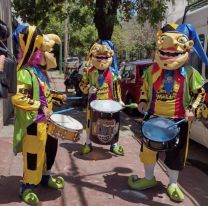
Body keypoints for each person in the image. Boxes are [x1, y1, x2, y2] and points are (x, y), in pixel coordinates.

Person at [128, 23, 207, 202]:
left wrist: (193, 109)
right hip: (154, 118)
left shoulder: (190, 73)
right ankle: (149, 178)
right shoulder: (152, 71)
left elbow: (200, 93)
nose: (169, 54)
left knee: (175, 155)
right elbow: (145, 88)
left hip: (178, 121)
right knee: (148, 150)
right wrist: (142, 101)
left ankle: (172, 183)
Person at [12, 25, 66, 205]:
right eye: (40, 49)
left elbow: (44, 93)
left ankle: (45, 176)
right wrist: (38, 107)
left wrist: (57, 97)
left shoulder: (37, 72)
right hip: (33, 123)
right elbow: (18, 98)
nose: (45, 53)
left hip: (47, 122)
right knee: (33, 155)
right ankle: (26, 186)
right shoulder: (24, 73)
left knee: (49, 151)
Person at [79, 39, 125, 156]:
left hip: (109, 104)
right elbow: (82, 84)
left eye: (105, 57)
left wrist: (119, 100)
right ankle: (88, 143)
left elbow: (116, 88)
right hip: (93, 103)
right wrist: (88, 88)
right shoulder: (88, 72)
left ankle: (113, 144)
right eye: (99, 57)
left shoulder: (112, 73)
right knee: (90, 123)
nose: (102, 60)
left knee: (113, 123)